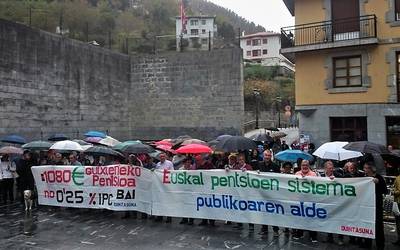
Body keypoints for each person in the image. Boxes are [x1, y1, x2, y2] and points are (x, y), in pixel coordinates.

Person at [363, 162, 387, 250]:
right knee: (366, 223)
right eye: (364, 168)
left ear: (371, 169)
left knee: (378, 226)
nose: (364, 170)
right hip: (366, 205)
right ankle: (367, 243)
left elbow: (385, 191)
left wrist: (378, 183)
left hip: (377, 206)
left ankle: (380, 245)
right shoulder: (365, 178)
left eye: (366, 168)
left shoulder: (379, 177)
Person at [293, 160, 318, 243]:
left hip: (310, 199)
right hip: (299, 199)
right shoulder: (297, 174)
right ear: (300, 165)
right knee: (300, 217)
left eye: (306, 165)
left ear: (309, 166)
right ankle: (299, 233)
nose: (305, 166)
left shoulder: (313, 175)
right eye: (303, 165)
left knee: (311, 217)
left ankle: (313, 235)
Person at [257, 149, 280, 235]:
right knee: (263, 211)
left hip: (272, 193)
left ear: (271, 156)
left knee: (273, 211)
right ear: (263, 156)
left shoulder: (275, 166)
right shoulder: (259, 165)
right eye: (265, 155)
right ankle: (264, 228)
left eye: (268, 155)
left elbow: (279, 179)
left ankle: (275, 229)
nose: (267, 157)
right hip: (262, 192)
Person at [321, 161, 343, 245]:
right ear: (325, 169)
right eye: (329, 168)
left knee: (338, 219)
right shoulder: (321, 176)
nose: (331, 170)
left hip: (337, 201)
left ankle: (340, 238)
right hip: (326, 201)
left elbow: (345, 183)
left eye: (332, 168)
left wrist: (336, 180)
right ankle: (329, 236)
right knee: (328, 219)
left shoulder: (338, 175)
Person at [154, 153, 174, 223]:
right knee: (160, 201)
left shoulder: (169, 163)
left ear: (165, 157)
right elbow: (156, 173)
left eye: (163, 156)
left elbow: (172, 172)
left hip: (167, 185)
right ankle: (160, 216)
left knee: (168, 201)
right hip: (160, 185)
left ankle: (169, 217)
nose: (162, 157)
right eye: (161, 156)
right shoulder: (158, 164)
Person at [394, 171, 400, 246]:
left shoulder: (398, 178)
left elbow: (399, 191)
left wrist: (393, 192)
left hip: (399, 202)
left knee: (398, 222)